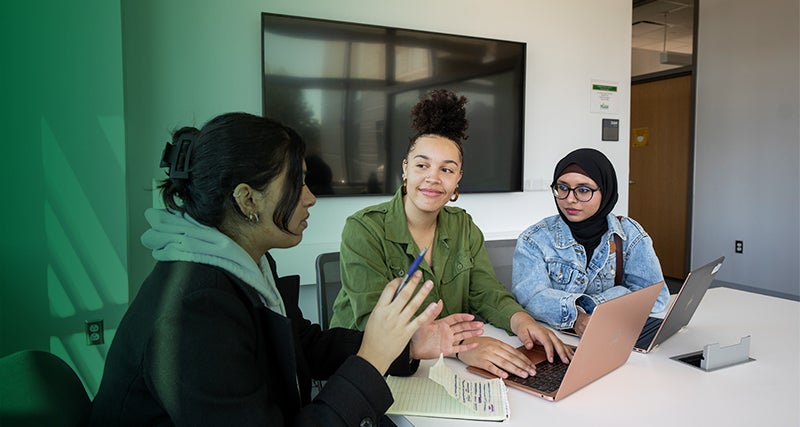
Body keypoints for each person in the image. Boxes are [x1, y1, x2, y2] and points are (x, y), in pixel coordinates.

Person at [88, 112, 484, 426]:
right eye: (299, 183)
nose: (311, 198)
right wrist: (372, 359)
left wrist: (407, 346)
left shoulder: (249, 262)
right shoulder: (192, 310)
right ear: (248, 200)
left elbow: (302, 345)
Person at [330, 89, 573, 381]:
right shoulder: (363, 228)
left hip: (442, 367)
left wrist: (522, 321)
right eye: (422, 165)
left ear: (458, 179)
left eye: (447, 169)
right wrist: (457, 346)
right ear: (405, 169)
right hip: (373, 368)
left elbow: (485, 292)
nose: (433, 177)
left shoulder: (463, 226)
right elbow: (372, 322)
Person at [512, 147, 670, 336]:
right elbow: (530, 298)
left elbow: (655, 296)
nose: (570, 199)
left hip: (613, 337)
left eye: (583, 190)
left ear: (606, 191)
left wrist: (593, 308)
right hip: (556, 340)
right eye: (562, 188)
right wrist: (577, 318)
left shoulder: (629, 234)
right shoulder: (534, 239)